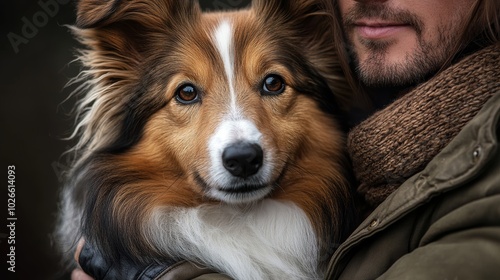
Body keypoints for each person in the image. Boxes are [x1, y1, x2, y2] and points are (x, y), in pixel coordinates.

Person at [72, 0, 500, 279]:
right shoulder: (378, 132)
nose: (240, 140)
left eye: (273, 84)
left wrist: (157, 274)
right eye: (187, 93)